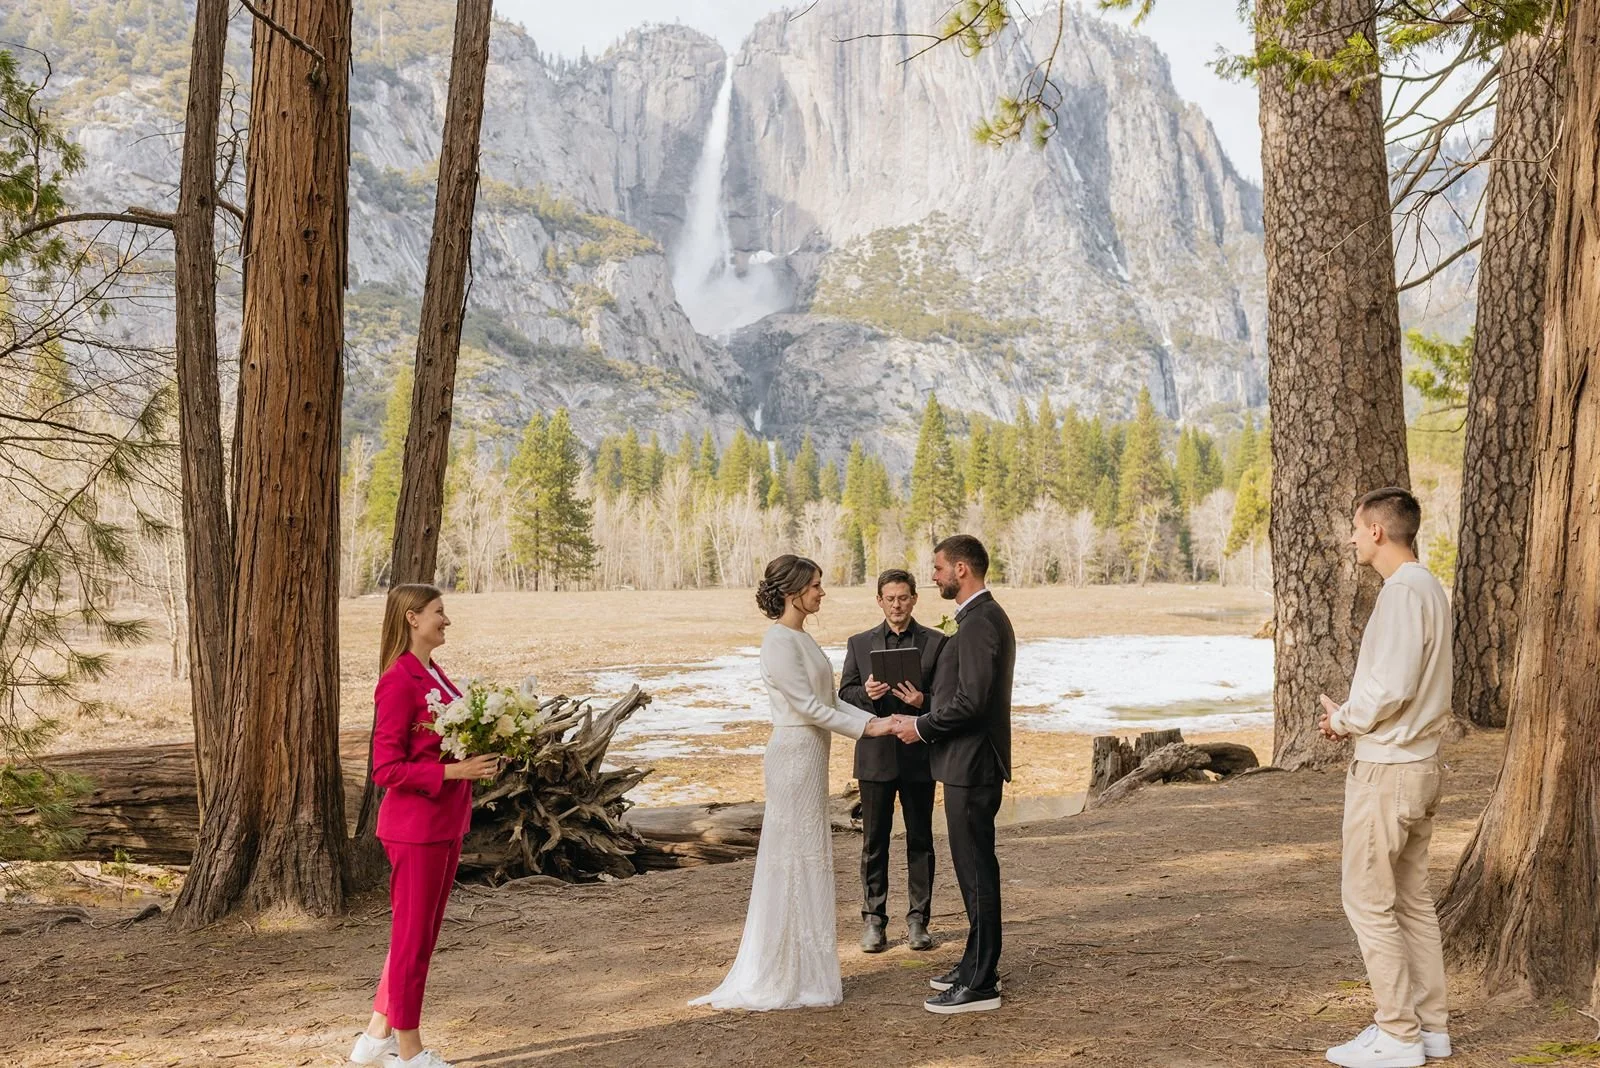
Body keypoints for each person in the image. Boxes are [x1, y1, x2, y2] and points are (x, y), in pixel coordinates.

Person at [691, 555, 895, 1010]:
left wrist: (882, 719)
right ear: (794, 590)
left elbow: (831, 702)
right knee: (792, 855)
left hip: (813, 754)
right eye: (817, 585)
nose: (823, 592)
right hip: (793, 756)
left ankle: (805, 964)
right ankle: (780, 969)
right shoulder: (778, 642)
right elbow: (807, 707)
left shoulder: (802, 638)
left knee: (810, 854)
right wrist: (870, 729)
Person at [1318, 488, 1453, 1068]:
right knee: (1410, 902)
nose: (1351, 538)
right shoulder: (1430, 588)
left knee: (1367, 901)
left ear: (1376, 531)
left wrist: (1344, 719)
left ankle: (1397, 1034)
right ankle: (1431, 1031)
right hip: (1418, 765)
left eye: (1356, 528)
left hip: (1390, 769)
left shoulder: (1402, 593)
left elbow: (1393, 684)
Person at [350, 584, 501, 1068]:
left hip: (445, 822)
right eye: (439, 612)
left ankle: (375, 1039)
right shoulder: (397, 680)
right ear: (413, 618)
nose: (446, 620)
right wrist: (454, 771)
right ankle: (410, 1053)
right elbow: (385, 770)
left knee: (417, 937)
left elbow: (443, 738)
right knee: (413, 942)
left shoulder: (434, 672)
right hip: (414, 829)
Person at [889, 534, 1014, 1015]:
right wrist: (925, 705)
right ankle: (973, 964)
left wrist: (920, 727)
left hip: (973, 765)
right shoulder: (978, 618)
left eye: (939, 567)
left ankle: (982, 983)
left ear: (962, 570)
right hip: (966, 763)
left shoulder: (982, 621)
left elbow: (974, 701)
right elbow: (963, 693)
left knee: (977, 872)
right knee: (971, 872)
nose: (934, 575)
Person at [838, 568, 946, 954]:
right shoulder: (859, 643)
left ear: (914, 599)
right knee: (874, 841)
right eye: (890, 598)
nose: (897, 605)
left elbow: (949, 700)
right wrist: (866, 694)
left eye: (903, 597)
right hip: (875, 757)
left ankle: (919, 921)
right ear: (879, 601)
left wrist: (923, 702)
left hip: (919, 756)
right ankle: (874, 921)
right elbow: (844, 693)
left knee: (921, 840)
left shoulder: (937, 642)